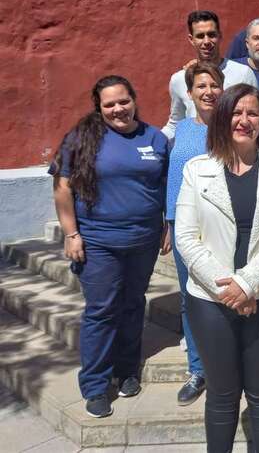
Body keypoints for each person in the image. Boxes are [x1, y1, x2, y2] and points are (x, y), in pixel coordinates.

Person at [175, 83, 259, 453]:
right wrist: (230, 290)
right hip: (210, 300)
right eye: (236, 112)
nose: (243, 120)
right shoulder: (197, 170)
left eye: (252, 113)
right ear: (222, 117)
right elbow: (186, 238)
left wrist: (247, 284)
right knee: (222, 392)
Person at [51, 75, 170, 418]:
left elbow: (165, 185)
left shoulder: (155, 138)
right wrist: (71, 234)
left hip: (144, 240)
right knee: (102, 311)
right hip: (99, 242)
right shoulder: (81, 138)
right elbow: (62, 188)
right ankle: (96, 385)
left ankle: (127, 370)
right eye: (110, 104)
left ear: (134, 99)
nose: (118, 109)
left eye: (124, 101)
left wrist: (168, 224)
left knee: (133, 304)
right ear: (99, 108)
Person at [165, 62, 226, 406]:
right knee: (190, 297)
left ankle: (228, 364)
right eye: (201, 86)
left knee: (225, 291)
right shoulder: (182, 130)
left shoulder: (233, 126)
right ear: (189, 93)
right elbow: (172, 177)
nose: (208, 91)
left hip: (223, 224)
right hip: (184, 226)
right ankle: (198, 369)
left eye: (214, 84)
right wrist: (168, 220)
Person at [162, 10, 257, 140]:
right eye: (200, 36)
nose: (206, 41)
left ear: (220, 36)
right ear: (191, 39)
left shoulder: (243, 74)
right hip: (194, 148)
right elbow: (175, 124)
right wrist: (154, 139)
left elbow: (256, 117)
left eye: (211, 35)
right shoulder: (179, 79)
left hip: (232, 148)